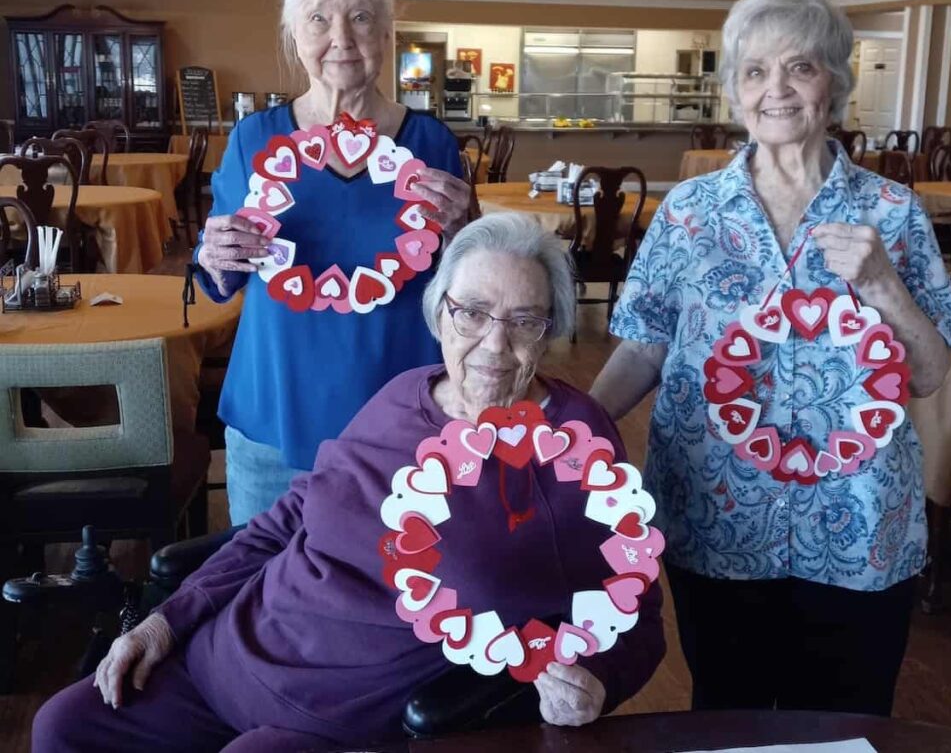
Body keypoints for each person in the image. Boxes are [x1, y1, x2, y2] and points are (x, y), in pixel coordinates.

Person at [35, 214, 665, 751]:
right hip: (221, 654)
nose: (494, 345)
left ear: (550, 330)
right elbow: (287, 520)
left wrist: (600, 681)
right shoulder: (403, 395)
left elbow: (635, 607)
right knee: (65, 726)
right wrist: (167, 621)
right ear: (440, 314)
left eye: (524, 320)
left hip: (331, 717)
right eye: (472, 313)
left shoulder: (573, 443)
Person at [591, 0, 951, 716]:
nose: (777, 90)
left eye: (800, 67)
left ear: (836, 83)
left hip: (858, 525)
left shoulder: (892, 211)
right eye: (755, 71)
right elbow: (642, 347)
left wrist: (885, 285)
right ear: (733, 91)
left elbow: (931, 371)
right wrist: (571, 431)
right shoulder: (690, 213)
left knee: (849, 718)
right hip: (718, 514)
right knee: (728, 709)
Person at [195, 0, 471, 524]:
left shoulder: (430, 145)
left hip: (401, 427)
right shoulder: (253, 140)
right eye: (318, 18)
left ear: (387, 32)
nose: (341, 39)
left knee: (390, 600)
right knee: (264, 597)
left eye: (362, 17)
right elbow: (217, 278)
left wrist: (464, 233)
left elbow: (468, 286)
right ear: (295, 34)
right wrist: (217, 254)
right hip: (275, 417)